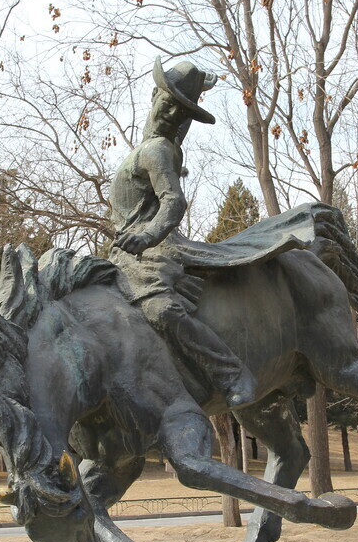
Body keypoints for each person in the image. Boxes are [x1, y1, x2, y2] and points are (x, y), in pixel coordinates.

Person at [109, 58, 258, 409]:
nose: (172, 113)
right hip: (125, 253)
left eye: (182, 110)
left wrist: (148, 237)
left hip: (153, 251)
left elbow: (173, 203)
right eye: (169, 102)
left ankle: (232, 372)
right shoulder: (148, 150)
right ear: (153, 95)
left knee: (161, 310)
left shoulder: (157, 149)